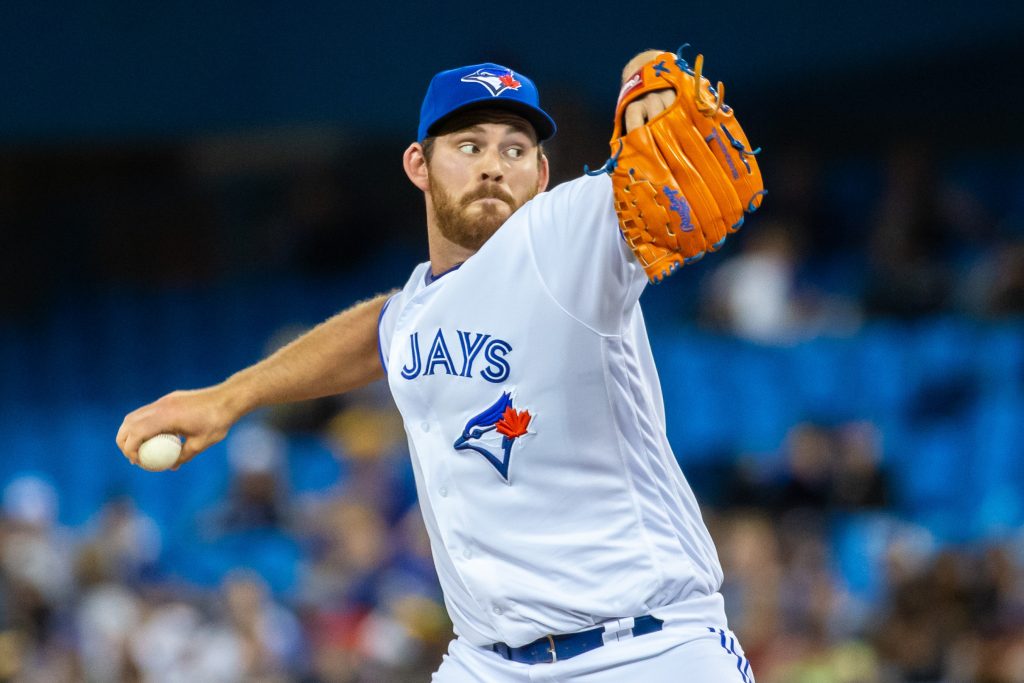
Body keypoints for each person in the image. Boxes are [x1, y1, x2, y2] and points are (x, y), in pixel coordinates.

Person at [118, 51, 757, 682]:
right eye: (470, 145)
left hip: (645, 651)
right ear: (419, 164)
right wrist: (229, 399)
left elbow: (672, 155)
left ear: (541, 174)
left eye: (514, 149)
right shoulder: (418, 308)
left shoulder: (565, 239)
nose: (493, 166)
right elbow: (377, 333)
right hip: (488, 661)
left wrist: (647, 72)